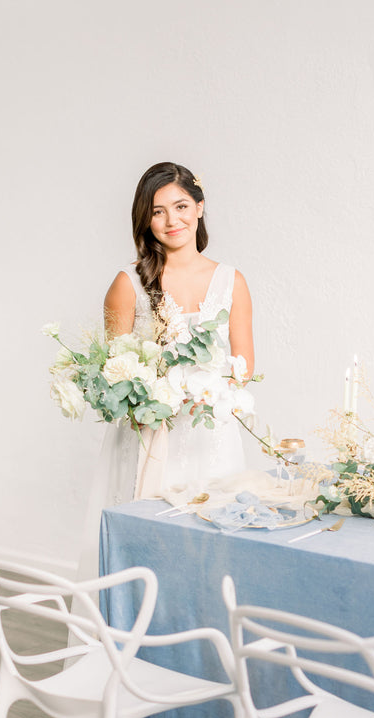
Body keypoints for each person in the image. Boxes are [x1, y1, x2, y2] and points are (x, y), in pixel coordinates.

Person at [103, 160, 255, 496]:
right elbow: (114, 370)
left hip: (211, 432)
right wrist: (151, 402)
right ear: (145, 219)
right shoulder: (128, 284)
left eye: (181, 206)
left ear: (199, 207)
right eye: (158, 212)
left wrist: (208, 394)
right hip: (151, 432)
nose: (172, 220)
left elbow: (244, 366)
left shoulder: (231, 281)